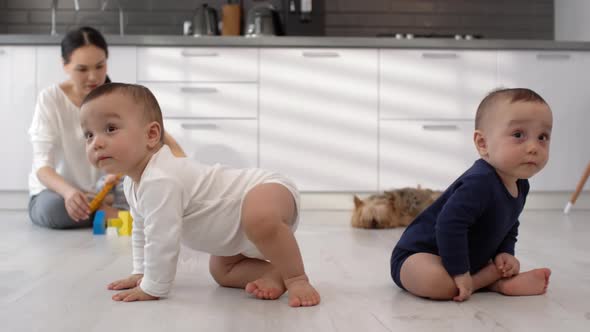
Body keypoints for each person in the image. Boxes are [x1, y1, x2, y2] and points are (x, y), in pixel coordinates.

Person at [79, 83, 321, 307]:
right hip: (231, 230)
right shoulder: (134, 184)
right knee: (222, 271)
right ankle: (273, 272)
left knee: (260, 217)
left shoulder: (161, 178)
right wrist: (140, 271)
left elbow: (161, 239)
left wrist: (153, 286)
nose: (96, 142)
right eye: (89, 135)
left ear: (151, 135)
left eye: (110, 129)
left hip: (265, 188)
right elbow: (143, 229)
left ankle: (296, 277)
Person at [390, 88, 553, 302]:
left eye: (542, 137)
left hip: (466, 257)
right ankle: (487, 282)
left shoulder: (521, 184)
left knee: (507, 265)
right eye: (518, 135)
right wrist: (460, 272)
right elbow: (449, 225)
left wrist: (505, 252)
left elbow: (509, 223)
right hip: (421, 255)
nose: (533, 147)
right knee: (436, 282)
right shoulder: (479, 182)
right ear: (482, 144)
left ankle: (489, 279)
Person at [28, 26, 184, 229]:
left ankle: (110, 210)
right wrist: (69, 193)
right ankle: (115, 214)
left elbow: (154, 133)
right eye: (82, 69)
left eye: (100, 66)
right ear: (65, 65)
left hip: (108, 190)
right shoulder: (50, 99)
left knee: (155, 191)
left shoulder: (115, 97)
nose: (93, 77)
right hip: (59, 192)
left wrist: (183, 168)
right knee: (54, 210)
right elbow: (42, 166)